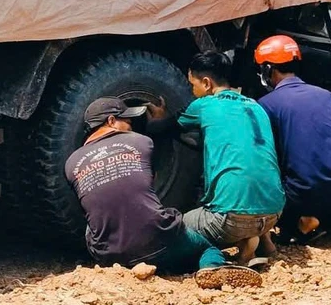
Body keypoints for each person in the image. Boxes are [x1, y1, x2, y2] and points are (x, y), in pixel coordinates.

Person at [64, 97, 261, 289]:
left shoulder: (71, 163)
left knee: (93, 222)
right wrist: (159, 122)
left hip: (109, 253)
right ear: (111, 121)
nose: (131, 125)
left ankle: (139, 263)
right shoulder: (141, 142)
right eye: (128, 121)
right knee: (206, 247)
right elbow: (149, 179)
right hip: (157, 239)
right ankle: (212, 268)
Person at [153, 51, 284, 266]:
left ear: (206, 83)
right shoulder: (255, 106)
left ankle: (239, 244)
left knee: (174, 230)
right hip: (274, 212)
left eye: (192, 85)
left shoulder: (204, 105)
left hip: (231, 219)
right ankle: (260, 239)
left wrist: (158, 118)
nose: (192, 92)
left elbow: (167, 128)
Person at [253, 35, 331, 247]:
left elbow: (266, 159)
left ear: (269, 69)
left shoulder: (266, 104)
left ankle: (303, 221)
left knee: (272, 188)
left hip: (300, 195)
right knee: (329, 197)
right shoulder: (326, 96)